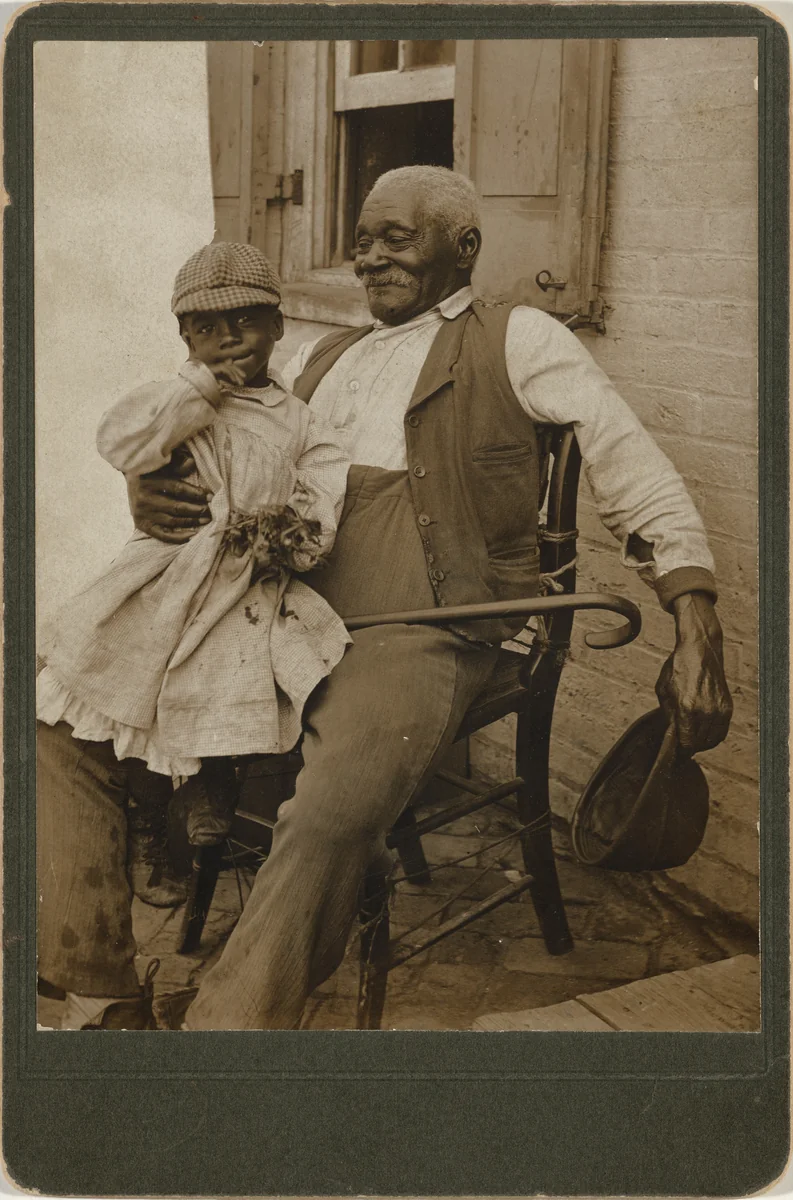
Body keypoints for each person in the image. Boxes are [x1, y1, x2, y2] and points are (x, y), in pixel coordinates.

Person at [37, 166, 733, 1030]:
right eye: (361, 242)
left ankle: (224, 1037)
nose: (368, 259)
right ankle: (101, 992)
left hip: (424, 625)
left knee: (332, 805)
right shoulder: (317, 356)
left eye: (394, 239)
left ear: (463, 247)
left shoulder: (517, 337)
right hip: (282, 611)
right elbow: (228, 450)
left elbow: (634, 468)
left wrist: (693, 612)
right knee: (57, 719)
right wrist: (147, 491)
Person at [36, 243, 351, 1022]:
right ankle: (149, 833)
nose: (230, 340)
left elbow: (319, 510)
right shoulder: (178, 399)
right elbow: (124, 444)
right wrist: (191, 391)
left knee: (226, 671)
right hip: (163, 579)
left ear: (279, 325)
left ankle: (203, 792)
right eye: (207, 330)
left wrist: (283, 530)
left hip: (248, 585)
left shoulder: (305, 423)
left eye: (247, 322)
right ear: (184, 340)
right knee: (84, 692)